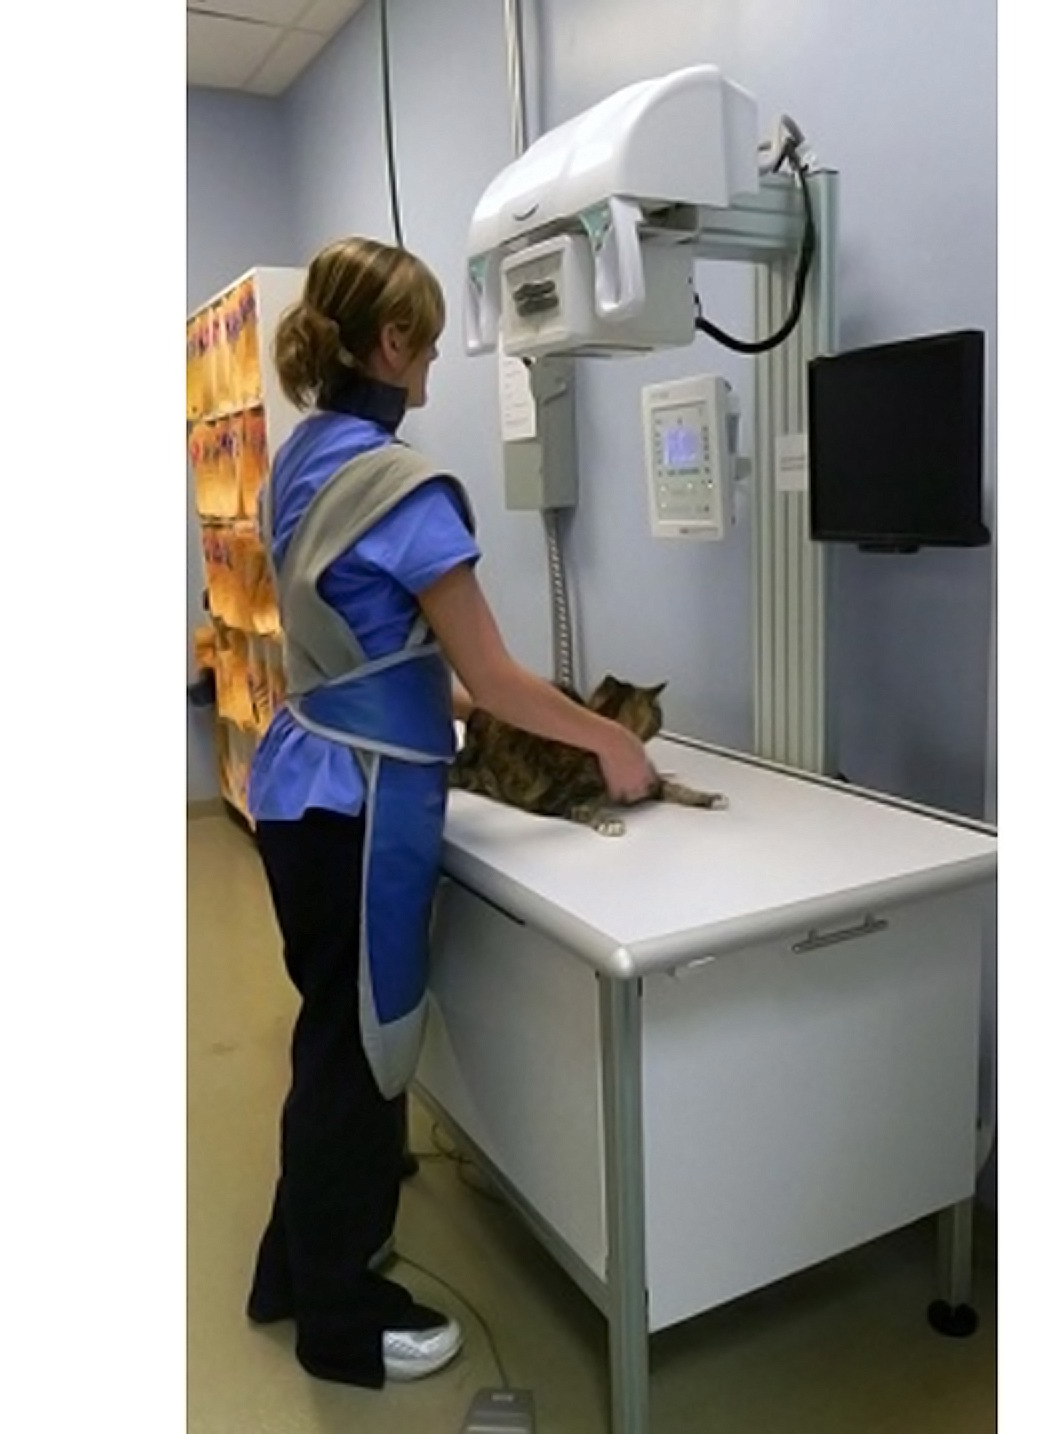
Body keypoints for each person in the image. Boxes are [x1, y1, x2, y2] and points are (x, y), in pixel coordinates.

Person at [242, 235, 656, 1389]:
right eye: (425, 340)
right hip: (363, 805)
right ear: (390, 345)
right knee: (359, 1057)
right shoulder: (405, 486)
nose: (432, 364)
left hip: (298, 780)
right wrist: (611, 738)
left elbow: (360, 638)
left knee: (327, 1035)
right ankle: (339, 1320)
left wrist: (452, 696)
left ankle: (291, 1268)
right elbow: (507, 672)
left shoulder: (304, 461)